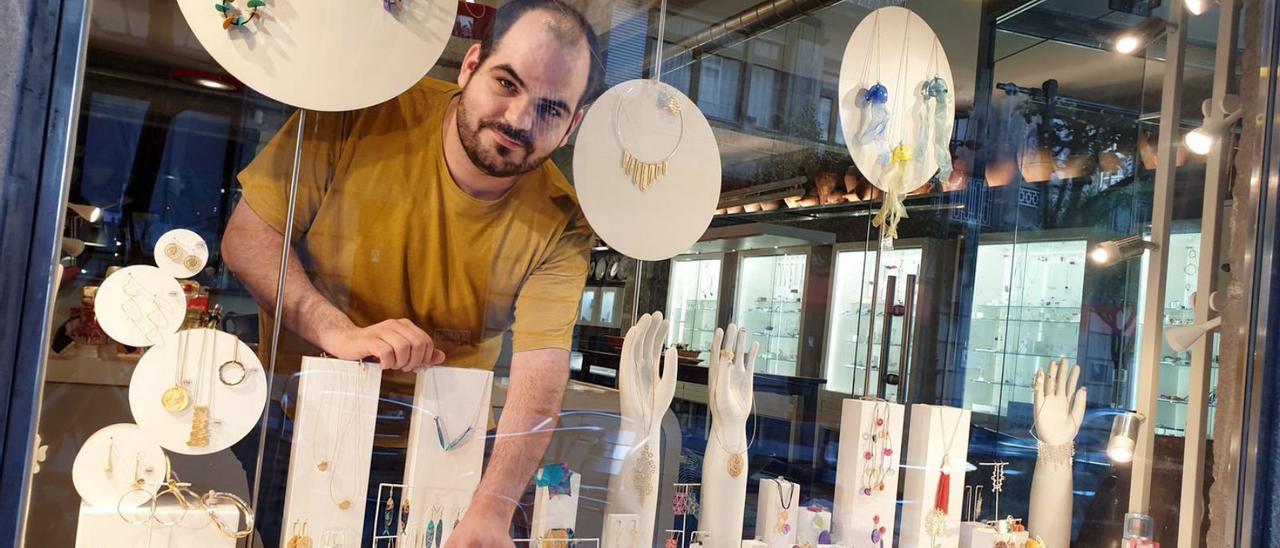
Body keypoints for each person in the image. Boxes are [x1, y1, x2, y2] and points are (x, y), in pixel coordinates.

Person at [221, 1, 603, 545]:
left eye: (550, 109)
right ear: (470, 66)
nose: (519, 120)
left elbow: (540, 370)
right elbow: (248, 238)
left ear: (573, 125)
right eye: (507, 83)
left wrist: (493, 508)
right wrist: (338, 332)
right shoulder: (365, 108)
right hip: (304, 422)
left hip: (452, 446)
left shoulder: (562, 220)